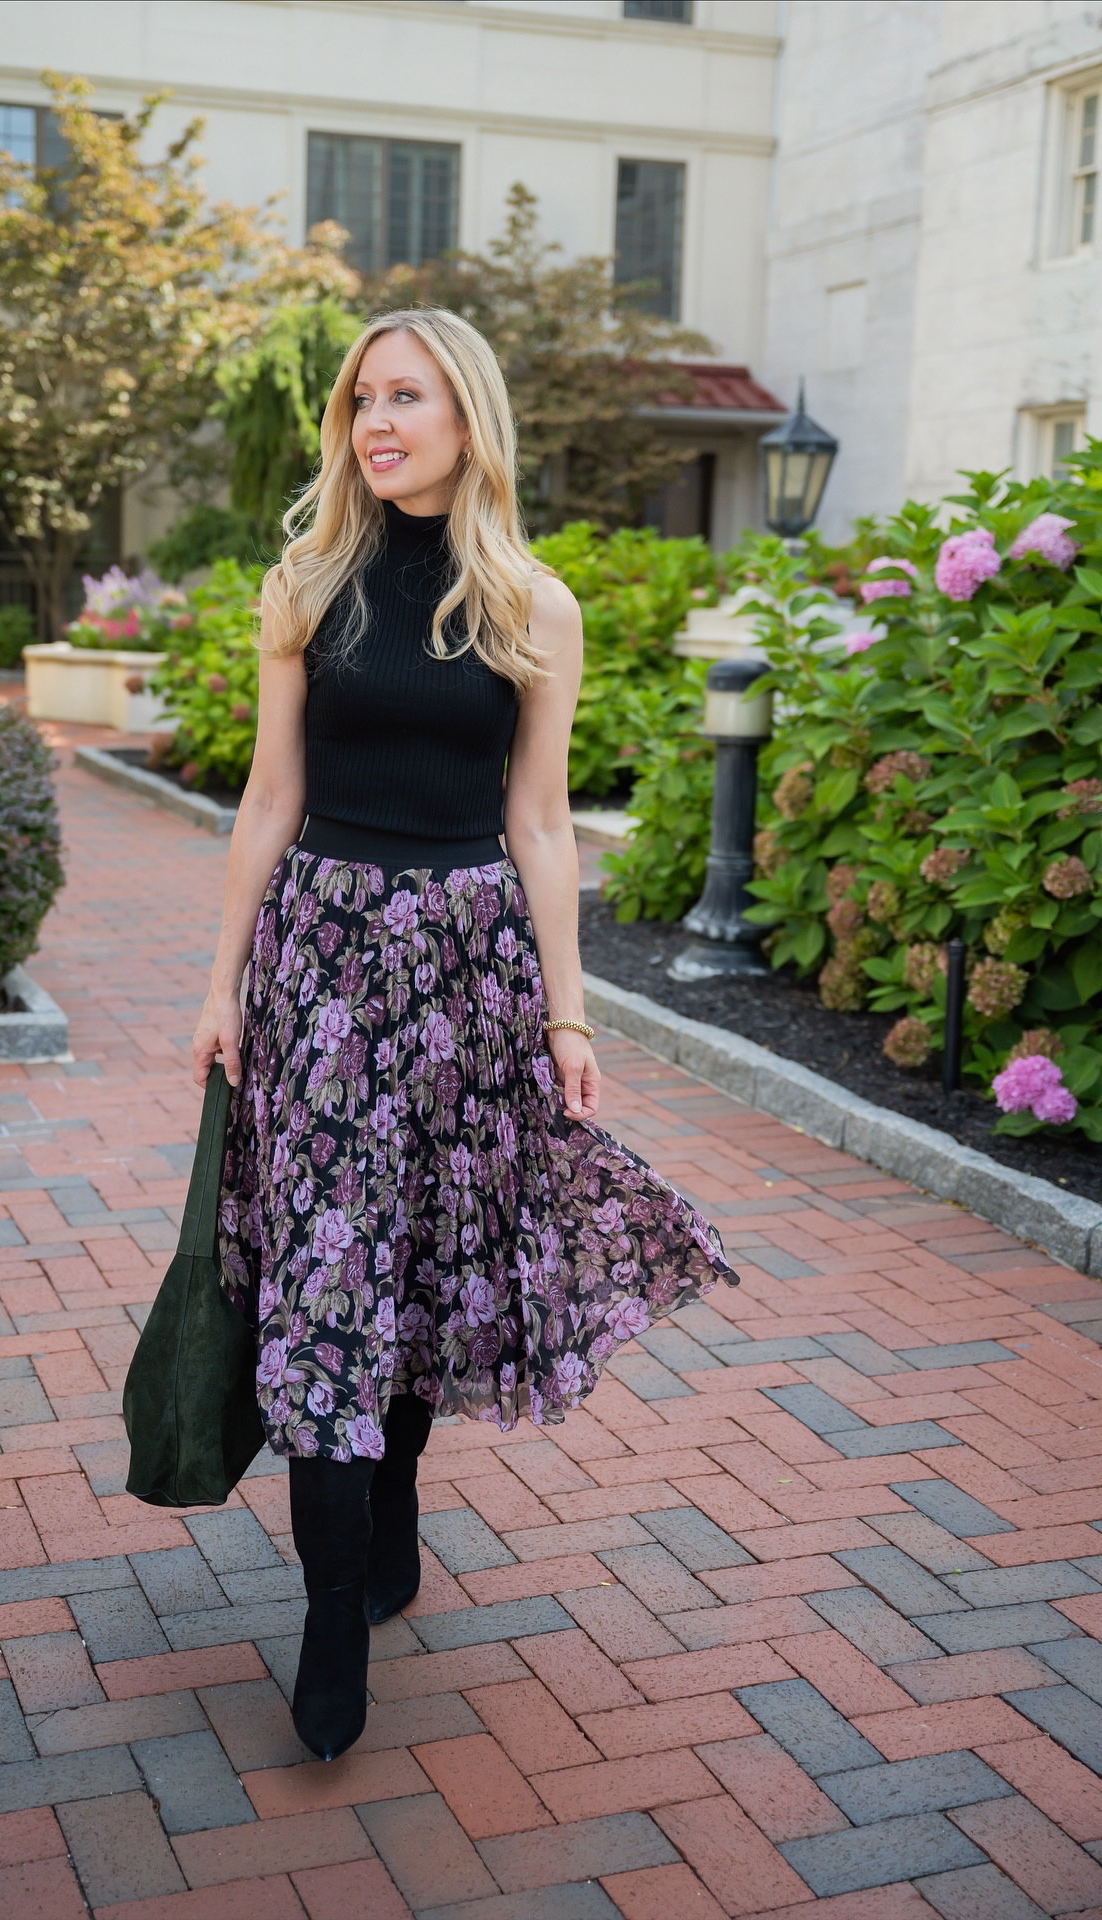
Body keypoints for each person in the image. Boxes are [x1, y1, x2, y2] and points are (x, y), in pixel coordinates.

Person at [192, 307, 738, 1762]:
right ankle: (325, 1619)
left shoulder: (528, 605)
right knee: (326, 1275)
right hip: (321, 968)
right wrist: (222, 981)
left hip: (470, 971)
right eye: (363, 398)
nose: (377, 422)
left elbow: (542, 821)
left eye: (408, 396)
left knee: (427, 1262)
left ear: (468, 418)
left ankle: (399, 1498)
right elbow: (266, 798)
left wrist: (567, 1009)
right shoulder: (307, 581)